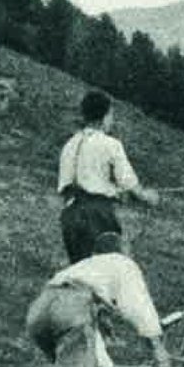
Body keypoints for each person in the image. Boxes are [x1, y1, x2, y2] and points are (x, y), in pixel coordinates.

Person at [25, 232, 174, 367]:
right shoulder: (122, 263)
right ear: (123, 251)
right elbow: (137, 306)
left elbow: (85, 332)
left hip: (39, 310)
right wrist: (158, 349)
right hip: (72, 307)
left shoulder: (85, 267)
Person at [57, 90, 162, 263]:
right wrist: (148, 197)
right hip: (98, 216)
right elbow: (129, 183)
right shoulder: (111, 144)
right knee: (110, 270)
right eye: (111, 115)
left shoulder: (69, 144)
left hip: (69, 216)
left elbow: (72, 185)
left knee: (80, 270)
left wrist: (113, 192)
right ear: (105, 116)